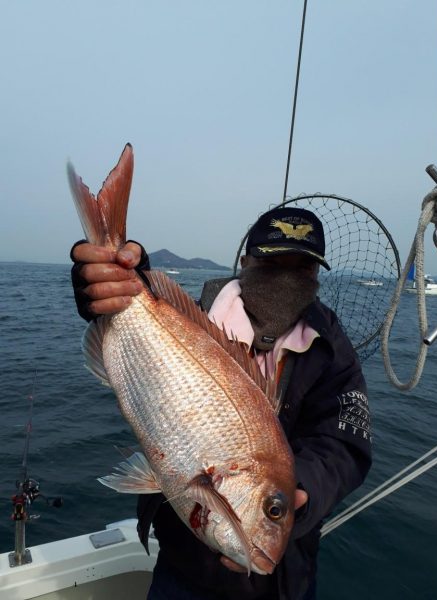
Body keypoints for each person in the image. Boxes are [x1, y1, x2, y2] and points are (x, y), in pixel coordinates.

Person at [70, 206, 372, 600]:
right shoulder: (194, 319)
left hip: (287, 581)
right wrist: (111, 293)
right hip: (184, 569)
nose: (287, 279)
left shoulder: (332, 347)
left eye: (303, 268)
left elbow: (346, 444)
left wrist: (299, 491)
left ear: (316, 275)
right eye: (273, 263)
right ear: (245, 262)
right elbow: (142, 343)